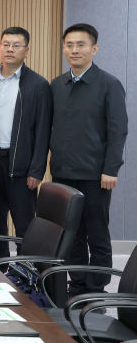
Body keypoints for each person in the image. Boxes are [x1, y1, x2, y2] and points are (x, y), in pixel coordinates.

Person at [50, 23, 127, 295]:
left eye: (81, 45)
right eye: (69, 45)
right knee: (71, 235)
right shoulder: (57, 85)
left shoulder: (109, 84)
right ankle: (78, 284)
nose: (74, 50)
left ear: (94, 49)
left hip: (96, 175)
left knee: (97, 234)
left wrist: (111, 169)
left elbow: (118, 131)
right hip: (63, 173)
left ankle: (97, 289)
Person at [0, 27, 52, 260]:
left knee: (24, 225)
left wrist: (37, 170)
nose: (10, 49)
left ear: (26, 51)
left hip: (20, 166)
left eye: (16, 45)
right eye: (6, 44)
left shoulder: (38, 85)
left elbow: (42, 131)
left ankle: (24, 273)